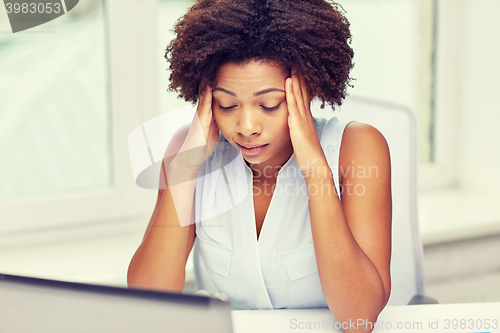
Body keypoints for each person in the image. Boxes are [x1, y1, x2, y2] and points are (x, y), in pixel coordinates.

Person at [128, 0, 392, 331]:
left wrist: (315, 169)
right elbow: (149, 302)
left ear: (307, 91)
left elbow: (360, 318)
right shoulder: (189, 153)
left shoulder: (356, 150)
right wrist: (185, 171)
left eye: (268, 105)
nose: (247, 126)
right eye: (227, 105)